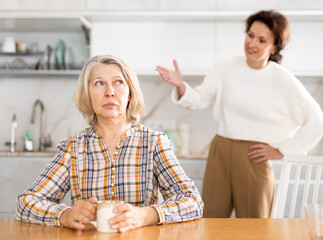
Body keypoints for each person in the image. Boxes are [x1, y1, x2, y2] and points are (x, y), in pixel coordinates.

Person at [155, 10, 323, 218]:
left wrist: (283, 150)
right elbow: (199, 98)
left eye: (262, 40)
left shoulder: (282, 79)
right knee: (210, 222)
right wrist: (181, 85)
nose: (252, 43)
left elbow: (318, 122)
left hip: (254, 156)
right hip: (220, 150)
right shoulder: (226, 67)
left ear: (274, 47)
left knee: (257, 227)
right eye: (250, 35)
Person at [16, 55, 203, 231]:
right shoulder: (73, 148)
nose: (110, 92)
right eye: (99, 84)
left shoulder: (154, 143)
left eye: (119, 82)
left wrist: (147, 214)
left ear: (130, 93)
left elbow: (193, 202)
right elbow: (26, 202)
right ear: (87, 94)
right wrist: (64, 214)